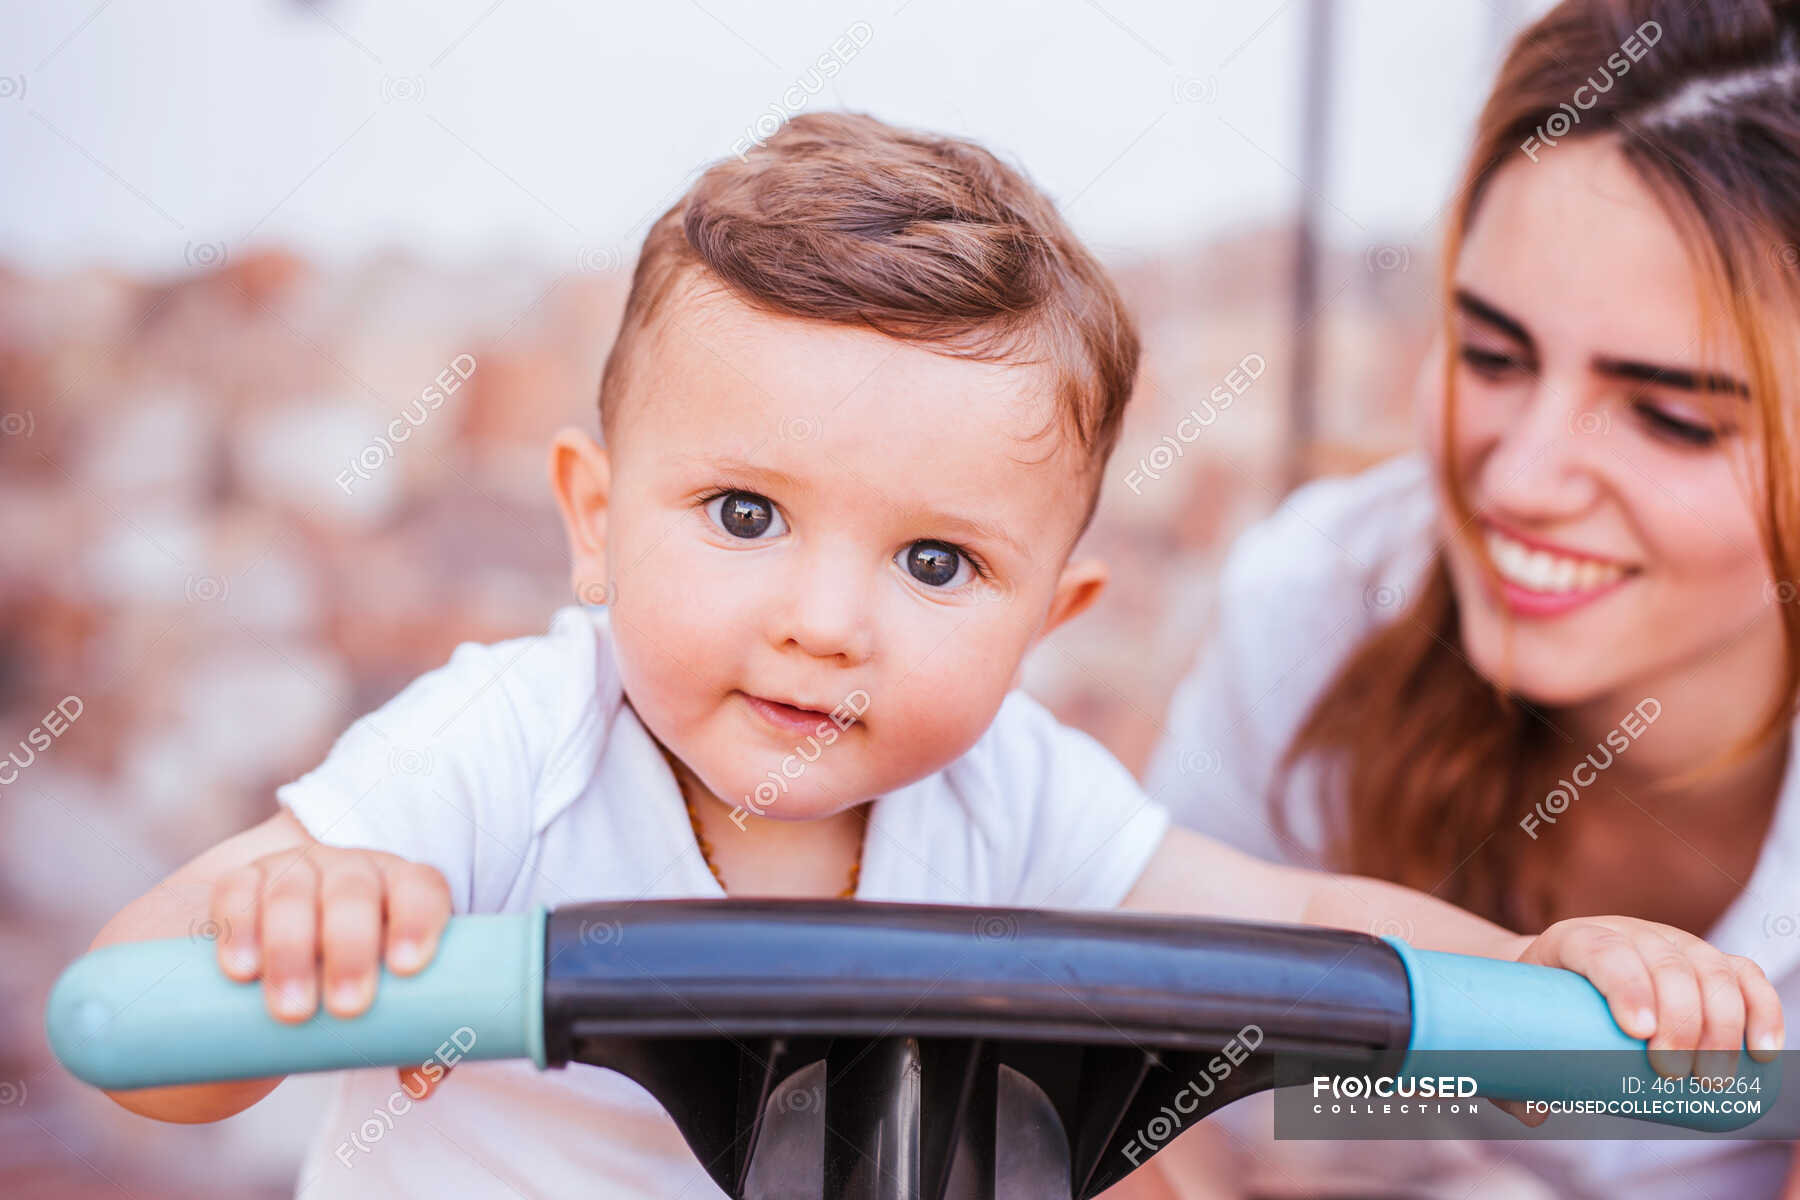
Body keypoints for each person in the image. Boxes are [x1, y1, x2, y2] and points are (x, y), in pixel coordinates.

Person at [87, 112, 1778, 1198]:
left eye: (934, 561)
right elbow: (139, 1039)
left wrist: (1543, 967)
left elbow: (1302, 922)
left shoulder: (1008, 791)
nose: (830, 620)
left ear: (1054, 621)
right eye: (745, 517)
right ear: (592, 518)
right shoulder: (503, 751)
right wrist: (295, 922)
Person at [1147, 1, 1800, 1195]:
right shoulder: (1321, 604)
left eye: (1673, 417)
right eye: (1493, 355)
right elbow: (1154, 1107)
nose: (1521, 478)